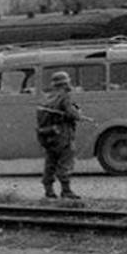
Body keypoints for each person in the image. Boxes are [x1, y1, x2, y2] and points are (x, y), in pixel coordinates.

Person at [35, 71, 91, 199]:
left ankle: (48, 190)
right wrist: (79, 114)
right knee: (66, 162)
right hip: (63, 135)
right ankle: (66, 190)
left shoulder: (46, 97)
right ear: (65, 83)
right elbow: (73, 115)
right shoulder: (64, 97)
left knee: (50, 162)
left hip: (47, 135)